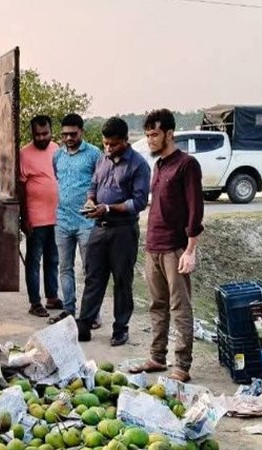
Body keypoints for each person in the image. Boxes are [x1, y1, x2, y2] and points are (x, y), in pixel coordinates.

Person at [129, 109, 204, 382]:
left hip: (176, 248)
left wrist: (190, 250)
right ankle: (157, 357)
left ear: (169, 134)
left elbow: (196, 210)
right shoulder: (159, 164)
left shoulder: (187, 165)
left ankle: (182, 365)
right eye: (147, 135)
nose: (149, 140)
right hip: (153, 246)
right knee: (156, 305)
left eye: (154, 134)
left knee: (180, 307)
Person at [76, 117, 151, 345]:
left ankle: (121, 328)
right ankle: (84, 324)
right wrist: (91, 201)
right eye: (105, 143)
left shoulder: (138, 165)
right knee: (93, 278)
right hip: (99, 228)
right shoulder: (102, 160)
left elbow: (138, 202)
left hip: (123, 231)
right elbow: (93, 186)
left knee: (122, 280)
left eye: (114, 144)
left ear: (126, 141)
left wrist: (108, 207)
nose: (109, 148)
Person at [49, 113, 103, 326]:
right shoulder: (58, 156)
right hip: (62, 220)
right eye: (64, 135)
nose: (68, 138)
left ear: (82, 132)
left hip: (86, 221)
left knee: (90, 269)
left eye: (73, 134)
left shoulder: (94, 155)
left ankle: (92, 314)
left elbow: (101, 182)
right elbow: (58, 178)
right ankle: (69, 311)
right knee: (64, 267)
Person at [18, 115, 63, 317]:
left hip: (57, 217)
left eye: (45, 134)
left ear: (51, 132)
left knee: (53, 259)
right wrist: (24, 217)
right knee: (34, 260)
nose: (42, 138)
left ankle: (52, 297)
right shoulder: (24, 154)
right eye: (38, 134)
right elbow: (20, 187)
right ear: (32, 133)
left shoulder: (58, 150)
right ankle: (35, 302)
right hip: (35, 219)